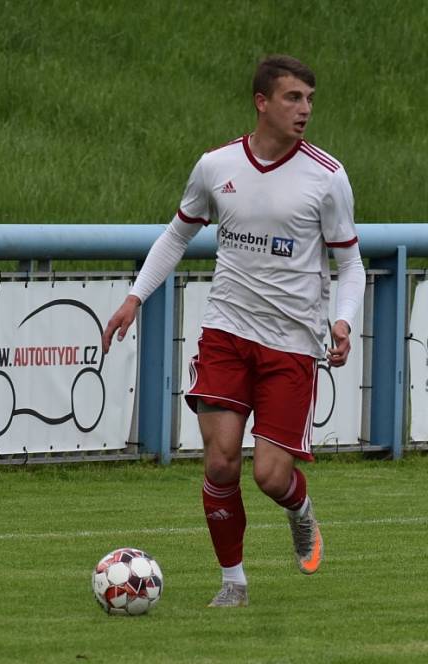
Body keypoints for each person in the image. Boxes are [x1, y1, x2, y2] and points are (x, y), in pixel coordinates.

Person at [102, 56, 366, 607]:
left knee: (271, 476)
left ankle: (300, 510)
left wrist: (343, 321)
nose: (305, 110)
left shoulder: (327, 176)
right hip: (225, 332)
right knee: (220, 460)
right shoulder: (215, 166)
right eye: (293, 98)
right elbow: (176, 236)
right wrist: (134, 297)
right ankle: (233, 582)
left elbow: (351, 265)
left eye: (310, 100)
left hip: (290, 344)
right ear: (262, 102)